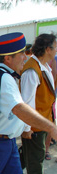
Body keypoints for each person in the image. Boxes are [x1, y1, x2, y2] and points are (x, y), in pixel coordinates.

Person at [0, 32, 57, 174]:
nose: (25, 57)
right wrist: (50, 127)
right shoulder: (4, 78)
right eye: (21, 54)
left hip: (7, 143)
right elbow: (19, 108)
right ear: (8, 58)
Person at [20, 33, 57, 174]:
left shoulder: (42, 66)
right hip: (34, 127)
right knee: (35, 162)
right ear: (47, 49)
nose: (56, 50)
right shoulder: (32, 70)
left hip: (40, 123)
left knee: (27, 159)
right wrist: (27, 128)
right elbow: (26, 102)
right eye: (55, 47)